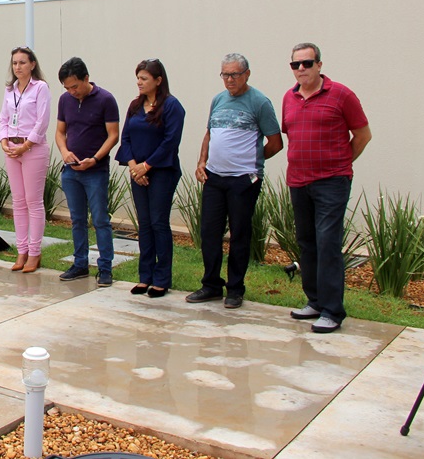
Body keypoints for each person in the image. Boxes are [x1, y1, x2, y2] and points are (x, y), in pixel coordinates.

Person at [283, 42, 370, 334]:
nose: (301, 69)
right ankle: (316, 301)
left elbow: (362, 135)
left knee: (328, 242)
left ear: (319, 65)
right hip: (298, 180)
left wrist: (341, 162)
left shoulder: (341, 95)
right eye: (296, 65)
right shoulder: (289, 98)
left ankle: (333, 311)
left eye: (307, 63)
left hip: (332, 181)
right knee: (307, 242)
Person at [186, 53, 283, 309]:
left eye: (234, 74)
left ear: (247, 74)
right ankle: (211, 285)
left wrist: (252, 162)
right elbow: (209, 134)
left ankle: (235, 289)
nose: (229, 80)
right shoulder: (218, 100)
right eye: (225, 74)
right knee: (209, 232)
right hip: (215, 178)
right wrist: (201, 163)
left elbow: (275, 142)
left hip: (244, 180)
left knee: (240, 233)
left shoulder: (260, 102)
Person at [116, 59, 185, 298]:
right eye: (138, 78)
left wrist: (147, 166)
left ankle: (161, 279)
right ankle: (145, 276)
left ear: (158, 80)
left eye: (144, 78)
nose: (139, 82)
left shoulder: (172, 106)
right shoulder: (135, 106)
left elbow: (170, 141)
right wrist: (135, 167)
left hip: (162, 172)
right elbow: (125, 138)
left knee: (158, 223)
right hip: (138, 172)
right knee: (144, 224)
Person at [55, 57, 119, 285]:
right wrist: (64, 152)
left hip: (95, 171)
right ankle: (80, 264)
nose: (72, 91)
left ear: (86, 79)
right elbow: (60, 132)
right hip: (71, 170)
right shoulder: (65, 101)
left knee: (100, 220)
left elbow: (113, 135)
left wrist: (95, 159)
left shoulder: (106, 100)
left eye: (75, 86)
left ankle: (105, 268)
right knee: (77, 220)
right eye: (67, 88)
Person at [0, 47, 51, 273]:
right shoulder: (10, 90)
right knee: (18, 202)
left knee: (33, 201)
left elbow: (43, 120)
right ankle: (21, 251)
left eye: (22, 62)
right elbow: (3, 118)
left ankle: (34, 253)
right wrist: (4, 141)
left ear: (32, 64)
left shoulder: (40, 88)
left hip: (33, 149)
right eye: (14, 63)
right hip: (12, 149)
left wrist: (26, 145)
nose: (18, 67)